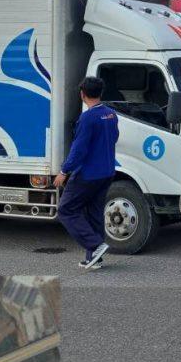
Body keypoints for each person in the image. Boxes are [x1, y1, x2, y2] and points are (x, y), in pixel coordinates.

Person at [55, 76, 119, 270]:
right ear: (100, 92)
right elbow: (114, 138)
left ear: (82, 94)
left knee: (66, 210)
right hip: (107, 172)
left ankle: (95, 245)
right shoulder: (111, 114)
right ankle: (95, 259)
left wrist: (64, 171)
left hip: (88, 174)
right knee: (94, 213)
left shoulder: (87, 117)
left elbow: (79, 149)